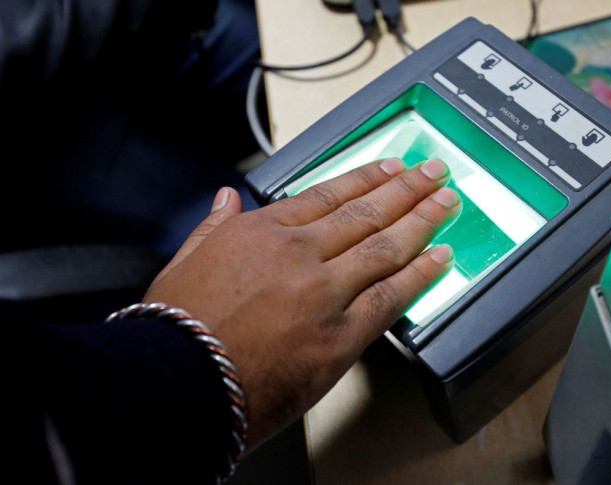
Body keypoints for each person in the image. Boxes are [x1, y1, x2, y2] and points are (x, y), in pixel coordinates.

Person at [3, 1, 462, 483]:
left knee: (268, 54)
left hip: (102, 36)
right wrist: (190, 366)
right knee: (266, 223)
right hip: (33, 133)